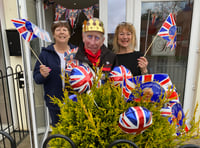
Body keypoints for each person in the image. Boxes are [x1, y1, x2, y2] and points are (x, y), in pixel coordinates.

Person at [33, 21, 77, 127]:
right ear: (53, 34)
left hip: (74, 100)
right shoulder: (45, 54)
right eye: (58, 30)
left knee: (74, 132)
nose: (61, 32)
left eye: (64, 30)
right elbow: (37, 78)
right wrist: (43, 75)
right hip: (54, 102)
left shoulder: (76, 53)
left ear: (69, 34)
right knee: (59, 133)